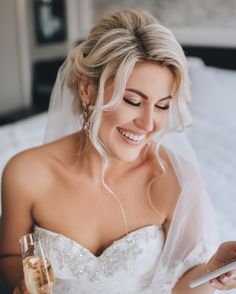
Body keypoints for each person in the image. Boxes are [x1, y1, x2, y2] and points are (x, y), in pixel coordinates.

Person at [0, 8, 236, 294]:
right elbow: (11, 256)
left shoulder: (176, 178)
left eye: (162, 105)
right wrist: (22, 285)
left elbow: (181, 286)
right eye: (133, 101)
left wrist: (211, 271)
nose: (149, 124)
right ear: (86, 89)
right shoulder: (25, 173)